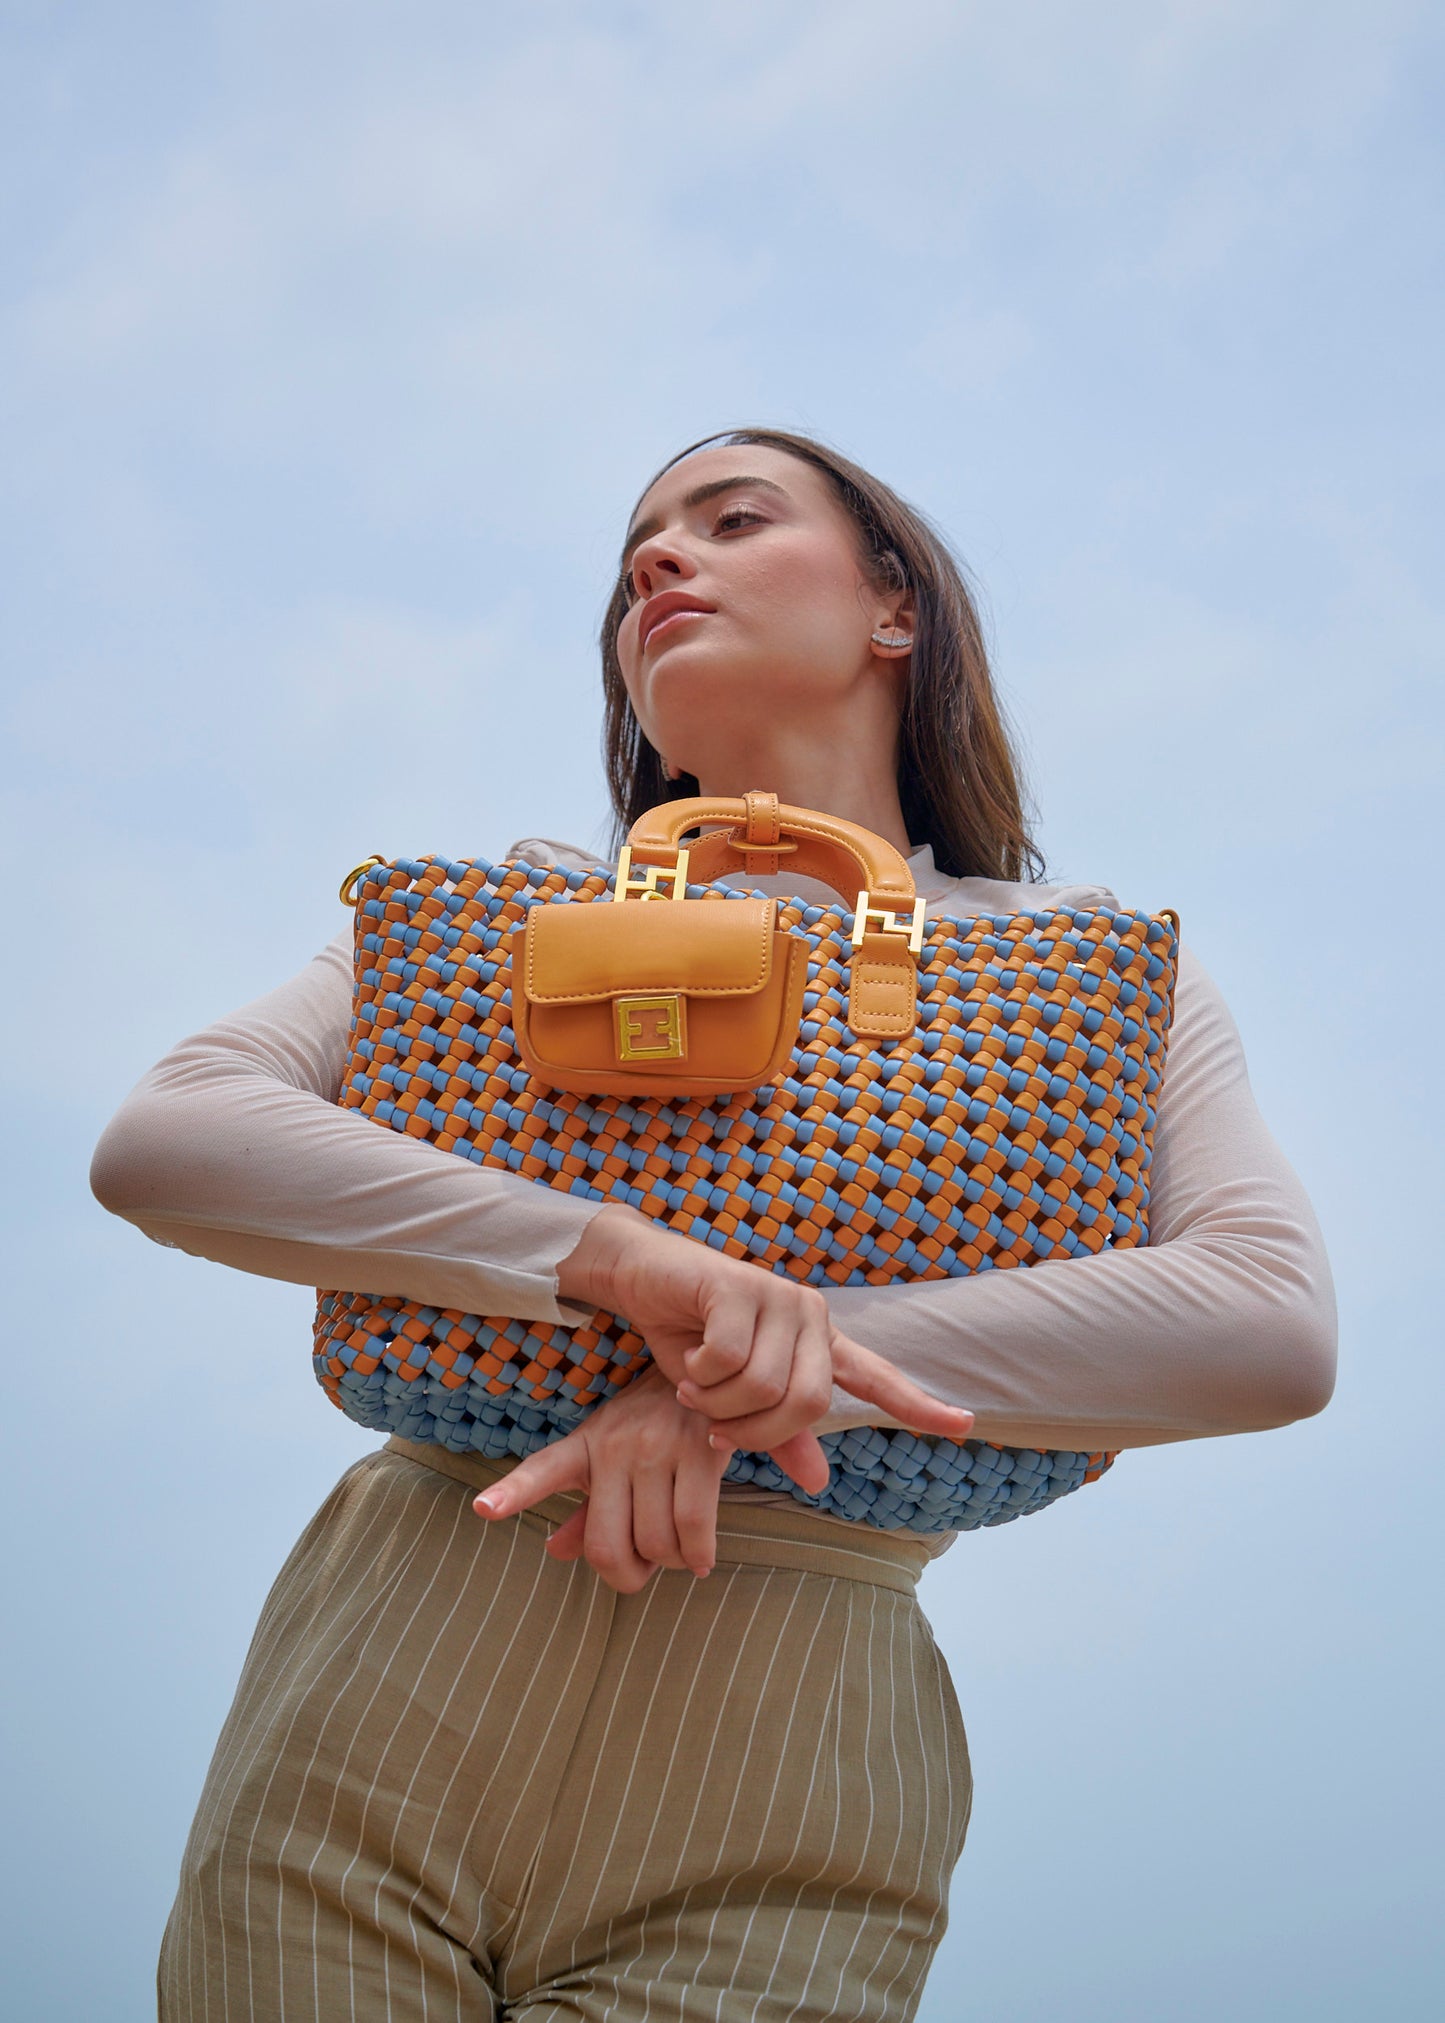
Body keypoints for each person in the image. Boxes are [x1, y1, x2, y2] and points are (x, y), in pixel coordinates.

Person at [90, 427, 1337, 2022]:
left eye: (731, 519)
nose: (657, 562)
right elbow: (171, 1137)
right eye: (636, 555)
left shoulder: (1083, 967)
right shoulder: (516, 915)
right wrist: (622, 1259)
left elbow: (1263, 1320)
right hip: (399, 1647)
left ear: (896, 608)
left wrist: (741, 1370)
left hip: (800, 1725)